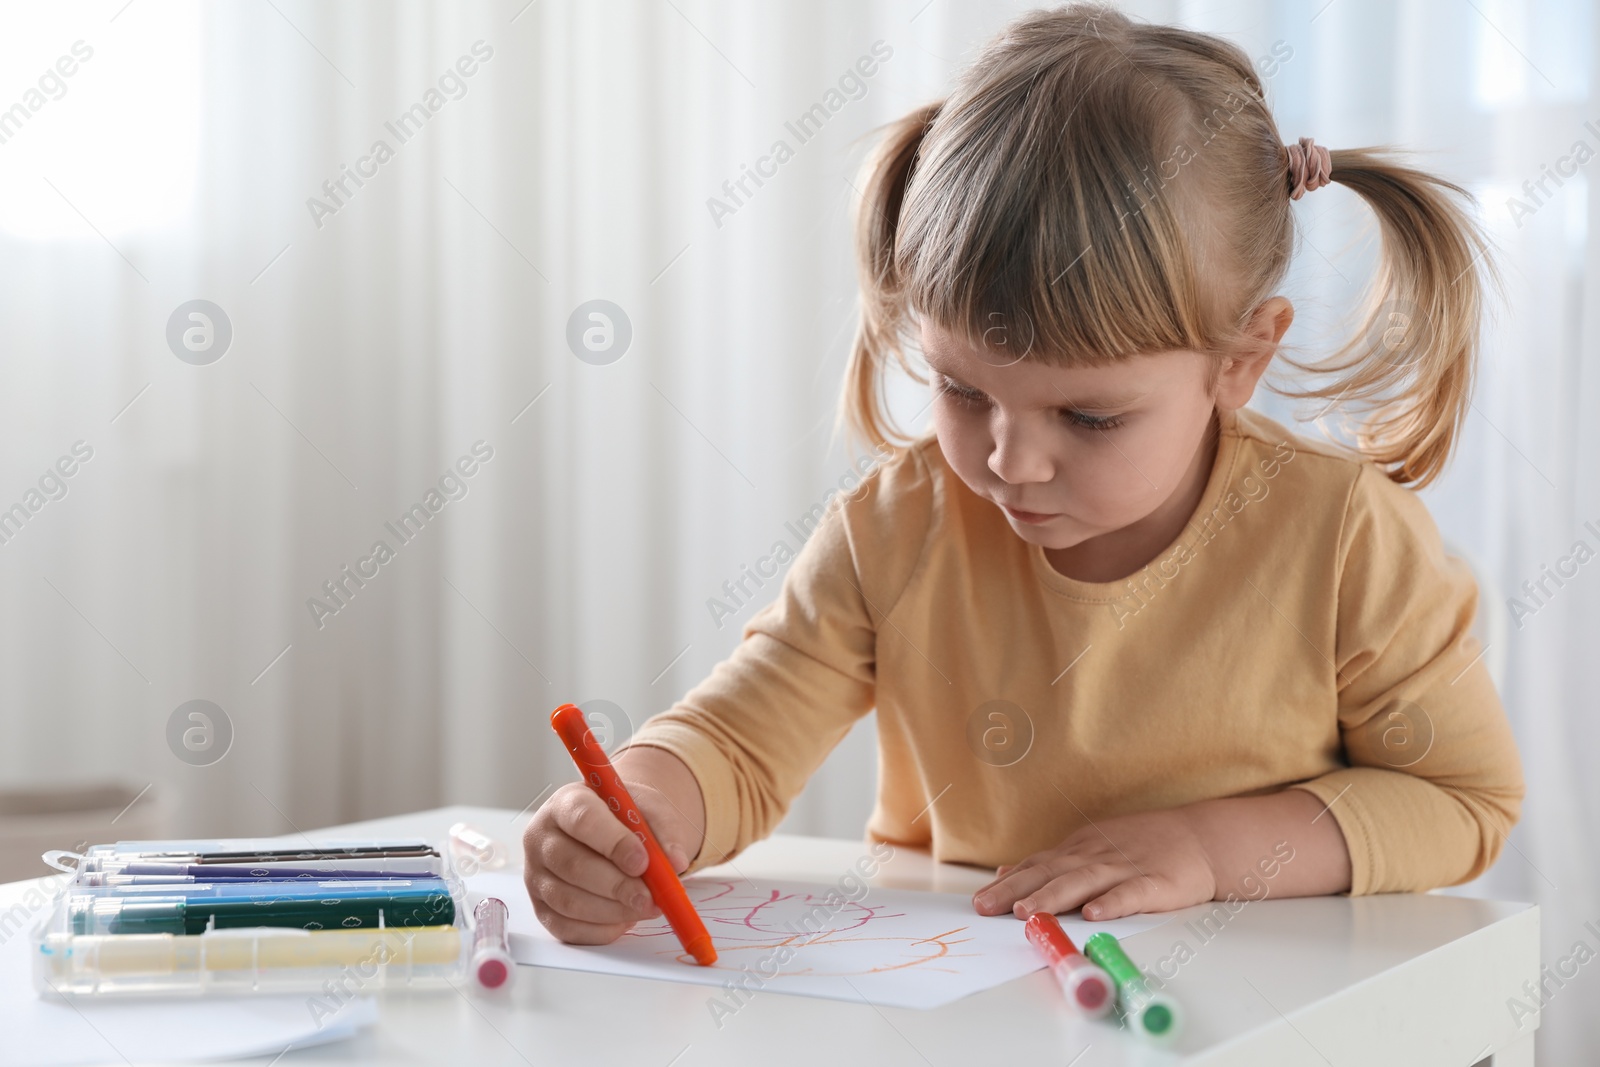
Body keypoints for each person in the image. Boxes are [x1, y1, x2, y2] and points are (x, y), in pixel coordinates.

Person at [522, 2, 1524, 944]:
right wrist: (645, 804)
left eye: (1088, 415)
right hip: (967, 1003)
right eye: (961, 390)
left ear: (1240, 360)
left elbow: (1459, 799)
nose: (1008, 461)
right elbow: (739, 741)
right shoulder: (894, 525)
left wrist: (1206, 848)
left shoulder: (1341, 532)